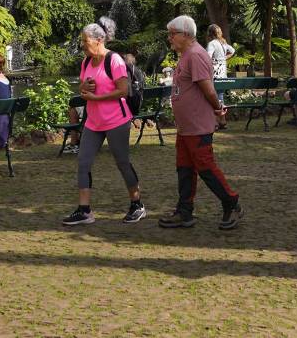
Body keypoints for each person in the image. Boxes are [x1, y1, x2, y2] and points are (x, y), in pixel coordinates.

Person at [159, 15, 242, 230]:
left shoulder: (195, 55)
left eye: (172, 34)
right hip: (187, 127)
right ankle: (184, 211)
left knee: (205, 167)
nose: (169, 38)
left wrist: (218, 109)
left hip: (197, 125)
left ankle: (231, 203)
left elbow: (209, 90)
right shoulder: (187, 55)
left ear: (186, 34)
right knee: (184, 169)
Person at [62, 18, 145, 226]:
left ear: (99, 40)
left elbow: (123, 90)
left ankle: (137, 204)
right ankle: (84, 210)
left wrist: (96, 98)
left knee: (122, 162)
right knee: (83, 162)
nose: (82, 44)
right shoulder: (86, 61)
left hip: (116, 120)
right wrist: (85, 88)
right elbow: (82, 86)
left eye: (85, 40)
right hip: (94, 122)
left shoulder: (114, 60)